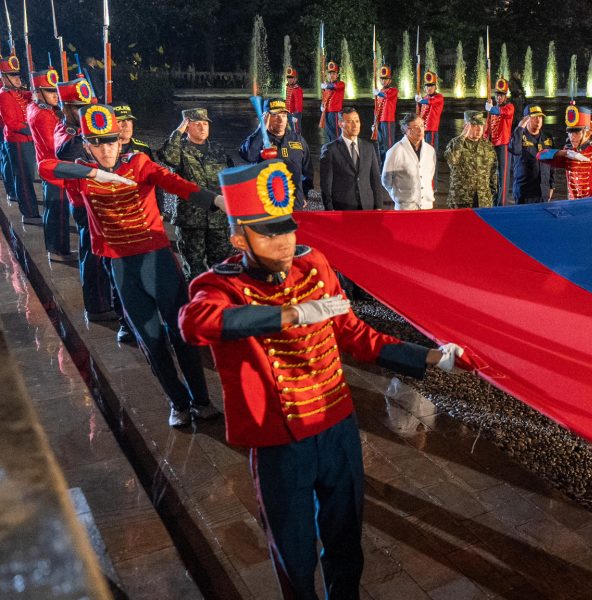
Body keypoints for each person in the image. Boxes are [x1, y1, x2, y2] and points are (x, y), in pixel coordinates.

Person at [178, 159, 469, 599]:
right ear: (240, 239)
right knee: (294, 555)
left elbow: (355, 334)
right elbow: (194, 323)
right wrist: (289, 314)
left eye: (287, 229)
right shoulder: (220, 285)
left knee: (346, 539)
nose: (284, 240)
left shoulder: (313, 264)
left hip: (336, 425)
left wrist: (432, 357)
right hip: (280, 440)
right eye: (269, 232)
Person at [39, 104, 223, 427]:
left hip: (158, 261)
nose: (107, 149)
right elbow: (44, 167)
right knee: (151, 341)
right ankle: (178, 403)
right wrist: (92, 172)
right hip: (123, 269)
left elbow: (176, 183)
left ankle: (201, 399)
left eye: (112, 141)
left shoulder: (138, 163)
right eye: (98, 143)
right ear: (86, 144)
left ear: (121, 141)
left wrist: (217, 200)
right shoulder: (81, 177)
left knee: (181, 333)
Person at [54, 78, 118, 323]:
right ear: (66, 108)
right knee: (92, 254)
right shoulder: (66, 132)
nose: (85, 112)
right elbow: (65, 152)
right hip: (83, 201)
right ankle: (97, 306)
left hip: (101, 197)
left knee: (105, 252)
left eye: (88, 106)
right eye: (79, 108)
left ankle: (108, 299)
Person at [158, 108, 235, 280]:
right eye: (197, 124)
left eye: (206, 124)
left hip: (219, 220)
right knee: (194, 268)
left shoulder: (217, 149)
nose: (202, 128)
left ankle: (222, 300)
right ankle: (196, 302)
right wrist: (179, 129)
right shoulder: (179, 149)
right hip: (191, 220)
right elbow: (167, 157)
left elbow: (230, 177)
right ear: (187, 127)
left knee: (224, 265)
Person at [27, 67, 74, 262]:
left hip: (49, 167)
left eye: (57, 90)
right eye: (50, 91)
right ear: (38, 92)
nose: (56, 95)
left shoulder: (36, 107)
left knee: (54, 210)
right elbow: (55, 145)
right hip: (55, 168)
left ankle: (56, 247)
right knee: (58, 211)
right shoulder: (44, 115)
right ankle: (58, 250)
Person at [240, 98, 312, 210]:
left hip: (294, 204)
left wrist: (304, 193)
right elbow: (249, 156)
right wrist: (261, 129)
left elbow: (308, 171)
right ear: (265, 117)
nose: (281, 120)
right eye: (275, 115)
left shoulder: (298, 140)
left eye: (283, 115)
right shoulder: (258, 140)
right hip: (267, 206)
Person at [538, 105, 592, 199]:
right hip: (573, 205)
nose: (572, 137)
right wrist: (565, 153)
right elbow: (540, 156)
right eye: (570, 132)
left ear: (586, 132)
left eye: (576, 133)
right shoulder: (568, 150)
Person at [319, 107, 388, 211]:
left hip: (367, 206)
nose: (355, 125)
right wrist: (329, 209)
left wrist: (379, 207)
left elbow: (375, 180)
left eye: (357, 121)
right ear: (340, 124)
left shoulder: (369, 147)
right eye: (350, 121)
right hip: (342, 207)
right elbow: (326, 184)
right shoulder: (330, 150)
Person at [0, 55, 41, 224]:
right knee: (24, 178)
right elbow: (12, 123)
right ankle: (30, 214)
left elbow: (30, 96)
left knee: (28, 177)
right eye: (13, 75)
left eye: (17, 75)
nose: (17, 78)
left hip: (27, 140)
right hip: (17, 141)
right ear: (3, 77)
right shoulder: (3, 95)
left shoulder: (17, 93)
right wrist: (34, 130)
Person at [114, 103, 164, 213]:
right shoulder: (102, 148)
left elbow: (154, 178)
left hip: (139, 208)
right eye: (120, 121)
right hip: (112, 207)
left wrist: (160, 209)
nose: (126, 125)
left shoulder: (142, 148)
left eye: (129, 120)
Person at [381, 113, 435, 210]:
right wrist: (398, 196)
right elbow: (386, 180)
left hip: (427, 206)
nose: (420, 130)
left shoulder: (430, 150)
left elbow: (430, 174)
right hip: (405, 207)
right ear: (406, 130)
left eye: (422, 126)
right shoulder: (395, 151)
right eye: (415, 127)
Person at [444, 110, 497, 208]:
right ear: (465, 127)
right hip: (461, 200)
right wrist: (462, 136)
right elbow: (452, 160)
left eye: (480, 126)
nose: (478, 129)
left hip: (483, 200)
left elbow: (493, 172)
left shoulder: (488, 146)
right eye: (473, 126)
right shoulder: (455, 143)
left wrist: (489, 193)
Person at [509, 105, 554, 204]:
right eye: (534, 117)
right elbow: (514, 150)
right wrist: (520, 127)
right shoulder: (519, 136)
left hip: (543, 192)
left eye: (540, 117)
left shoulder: (547, 138)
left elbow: (551, 164)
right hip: (525, 193)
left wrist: (551, 186)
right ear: (526, 120)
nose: (538, 121)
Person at [486, 77, 515, 206]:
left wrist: (490, 109)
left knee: (503, 175)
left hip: (503, 144)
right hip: (492, 144)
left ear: (506, 96)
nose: (499, 98)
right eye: (497, 95)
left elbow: (502, 112)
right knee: (492, 174)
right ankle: (493, 200)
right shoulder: (492, 108)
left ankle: (502, 202)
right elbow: (488, 125)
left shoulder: (509, 107)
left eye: (501, 95)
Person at [372, 66, 398, 165]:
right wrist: (374, 123)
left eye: (385, 79)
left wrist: (378, 93)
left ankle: (391, 166)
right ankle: (383, 165)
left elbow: (387, 96)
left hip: (388, 120)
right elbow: (377, 108)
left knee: (389, 145)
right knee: (381, 145)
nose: (383, 81)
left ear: (390, 80)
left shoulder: (393, 90)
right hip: (379, 121)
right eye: (382, 79)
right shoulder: (380, 92)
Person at [417, 71, 444, 153]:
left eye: (431, 86)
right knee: (423, 150)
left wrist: (420, 101)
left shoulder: (439, 97)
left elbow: (431, 102)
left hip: (432, 127)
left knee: (431, 150)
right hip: (423, 128)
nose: (429, 88)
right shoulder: (425, 97)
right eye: (427, 86)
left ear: (435, 87)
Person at [319, 62, 345, 143]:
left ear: (337, 75)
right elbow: (324, 98)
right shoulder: (327, 86)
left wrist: (326, 86)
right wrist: (322, 106)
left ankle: (339, 152)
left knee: (337, 134)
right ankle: (332, 151)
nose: (332, 75)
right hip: (326, 112)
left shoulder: (341, 84)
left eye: (334, 73)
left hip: (335, 113)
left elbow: (335, 87)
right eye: (330, 73)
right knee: (329, 133)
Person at [284, 68, 303, 133]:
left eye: (291, 77)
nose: (289, 79)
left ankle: (298, 142)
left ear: (295, 79)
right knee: (292, 130)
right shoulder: (288, 88)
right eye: (288, 77)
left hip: (295, 114)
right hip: (289, 113)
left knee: (296, 130)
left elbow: (299, 104)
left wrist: (295, 115)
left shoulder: (297, 89)